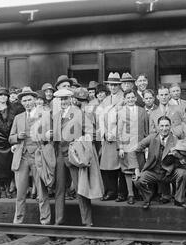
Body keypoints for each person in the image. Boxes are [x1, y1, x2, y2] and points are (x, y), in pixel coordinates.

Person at [9, 87, 51, 225]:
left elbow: (48, 136)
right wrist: (17, 137)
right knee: (20, 193)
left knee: (41, 192)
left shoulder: (43, 115)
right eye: (24, 101)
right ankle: (18, 221)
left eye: (29, 100)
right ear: (21, 103)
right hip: (22, 157)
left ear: (34, 101)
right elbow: (10, 138)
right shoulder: (18, 117)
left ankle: (45, 221)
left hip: (38, 156)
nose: (27, 103)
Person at [52, 88, 94, 226]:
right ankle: (59, 221)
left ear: (71, 99)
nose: (63, 101)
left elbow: (89, 131)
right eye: (61, 99)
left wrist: (80, 142)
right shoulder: (56, 115)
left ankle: (87, 221)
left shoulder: (79, 113)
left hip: (74, 154)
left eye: (65, 98)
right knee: (60, 189)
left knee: (80, 188)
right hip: (60, 155)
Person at [134, 116, 186, 209]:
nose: (164, 128)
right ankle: (147, 198)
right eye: (162, 126)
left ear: (170, 126)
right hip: (153, 172)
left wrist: (179, 156)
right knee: (138, 180)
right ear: (158, 126)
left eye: (166, 126)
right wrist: (137, 169)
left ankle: (179, 200)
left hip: (169, 173)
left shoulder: (175, 140)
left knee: (184, 173)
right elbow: (135, 151)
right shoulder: (151, 138)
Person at [99, 72, 127, 202]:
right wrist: (104, 133)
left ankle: (122, 192)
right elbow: (101, 118)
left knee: (121, 166)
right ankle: (111, 191)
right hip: (107, 138)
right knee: (107, 167)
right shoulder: (105, 100)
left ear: (119, 85)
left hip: (119, 137)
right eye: (111, 85)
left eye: (116, 85)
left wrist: (114, 133)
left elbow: (124, 118)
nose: (113, 87)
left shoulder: (124, 98)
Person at [118, 89, 149, 204]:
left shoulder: (142, 111)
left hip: (139, 145)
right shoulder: (121, 112)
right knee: (128, 170)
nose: (130, 100)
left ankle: (140, 192)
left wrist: (146, 146)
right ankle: (130, 194)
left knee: (139, 169)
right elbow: (119, 131)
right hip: (126, 145)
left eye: (132, 97)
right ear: (125, 99)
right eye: (128, 98)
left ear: (136, 98)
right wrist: (120, 147)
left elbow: (146, 130)